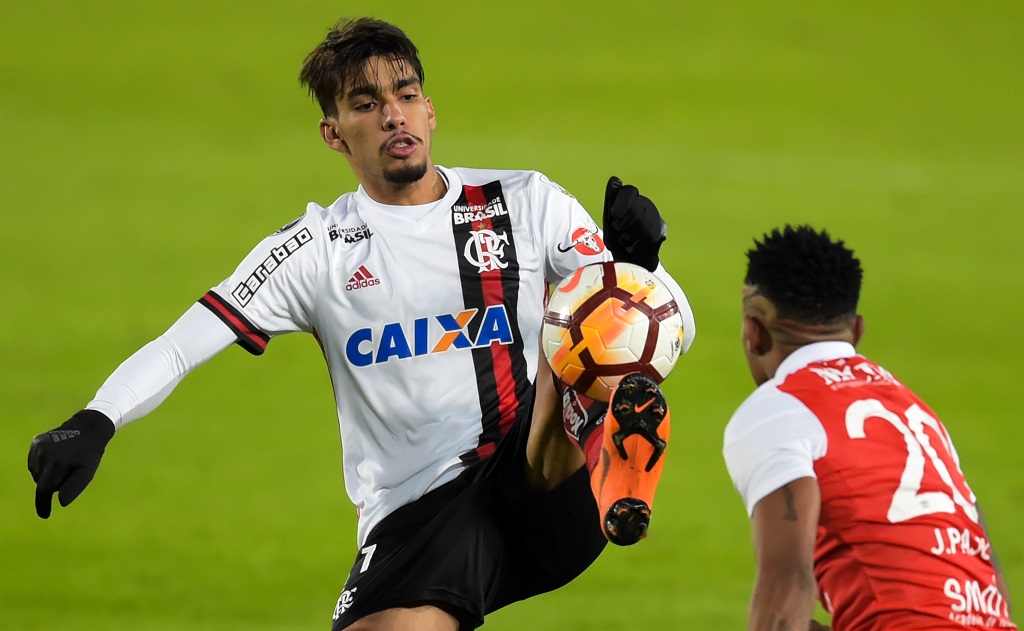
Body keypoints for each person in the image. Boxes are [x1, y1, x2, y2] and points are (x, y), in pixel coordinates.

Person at [27, 17, 696, 631]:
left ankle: (617, 466)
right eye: (366, 104)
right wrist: (98, 417)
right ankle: (611, 452)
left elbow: (670, 325)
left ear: (431, 110)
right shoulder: (317, 248)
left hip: (543, 481)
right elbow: (182, 345)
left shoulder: (524, 202)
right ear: (334, 131)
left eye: (405, 95)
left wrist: (644, 267)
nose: (393, 116)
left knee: (597, 309)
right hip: (421, 512)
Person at [723, 224, 1015, 631]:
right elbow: (991, 583)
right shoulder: (920, 416)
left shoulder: (779, 410)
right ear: (857, 331)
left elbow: (786, 588)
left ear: (753, 333)